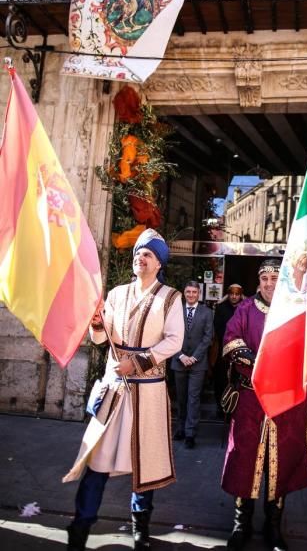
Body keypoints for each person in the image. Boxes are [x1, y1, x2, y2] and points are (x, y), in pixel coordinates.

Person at [63, 229, 184, 551]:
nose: (139, 258)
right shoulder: (116, 294)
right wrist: (97, 322)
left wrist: (139, 362)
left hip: (149, 392)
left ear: (159, 263)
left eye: (147, 254)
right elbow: (101, 341)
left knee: (146, 463)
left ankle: (140, 528)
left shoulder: (171, 297)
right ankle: (80, 526)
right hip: (115, 390)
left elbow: (174, 340)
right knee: (97, 460)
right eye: (137, 254)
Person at [221, 258, 307, 551]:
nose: (268, 284)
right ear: (259, 282)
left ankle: (273, 527)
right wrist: (257, 363)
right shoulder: (245, 309)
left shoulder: (294, 310)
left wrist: (302, 276)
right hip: (251, 399)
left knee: (281, 462)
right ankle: (242, 524)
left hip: (285, 400)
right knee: (245, 460)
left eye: (274, 279)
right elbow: (230, 340)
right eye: (264, 279)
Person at [171, 280, 213, 448]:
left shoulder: (207, 312)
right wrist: (180, 355)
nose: (191, 295)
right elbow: (169, 335)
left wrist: (194, 357)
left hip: (198, 363)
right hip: (178, 361)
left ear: (198, 294)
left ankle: (190, 433)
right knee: (181, 398)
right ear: (184, 293)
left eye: (194, 292)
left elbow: (207, 337)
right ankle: (180, 429)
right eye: (188, 292)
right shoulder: (175, 311)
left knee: (193, 399)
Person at [212, 284, 244, 417]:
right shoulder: (221, 308)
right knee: (220, 379)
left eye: (237, 294)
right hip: (223, 351)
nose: (234, 297)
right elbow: (218, 328)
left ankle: (234, 408)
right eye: (231, 294)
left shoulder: (245, 307)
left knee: (237, 380)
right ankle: (221, 407)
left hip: (240, 350)